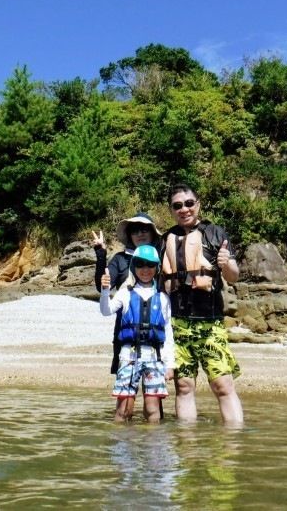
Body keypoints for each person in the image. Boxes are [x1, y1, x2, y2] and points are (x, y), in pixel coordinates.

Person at [159, 183, 244, 426]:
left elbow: (233, 276)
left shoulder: (216, 233)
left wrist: (226, 263)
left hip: (210, 324)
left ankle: (233, 443)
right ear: (172, 210)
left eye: (188, 203)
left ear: (198, 204)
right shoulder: (166, 239)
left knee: (222, 384)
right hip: (178, 324)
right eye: (177, 206)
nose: (184, 209)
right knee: (184, 386)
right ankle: (187, 447)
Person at [100, 244, 175, 423]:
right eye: (140, 264)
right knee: (123, 410)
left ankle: (153, 448)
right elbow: (106, 310)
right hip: (128, 356)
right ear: (134, 267)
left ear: (157, 268)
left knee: (152, 409)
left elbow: (168, 332)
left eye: (150, 265)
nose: (145, 269)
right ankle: (122, 448)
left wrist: (170, 364)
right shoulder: (125, 293)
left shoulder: (163, 297)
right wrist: (105, 291)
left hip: (154, 357)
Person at [92, 212, 162, 374]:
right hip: (125, 329)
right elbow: (101, 285)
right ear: (130, 236)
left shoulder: (161, 257)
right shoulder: (120, 259)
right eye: (135, 231)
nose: (140, 234)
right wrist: (101, 254)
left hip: (156, 329)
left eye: (144, 229)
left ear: (152, 233)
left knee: (153, 391)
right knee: (124, 390)